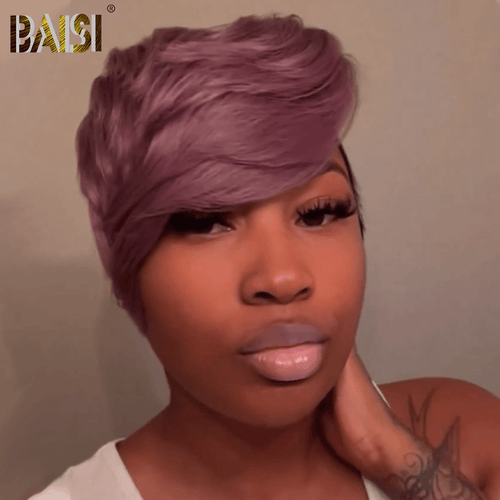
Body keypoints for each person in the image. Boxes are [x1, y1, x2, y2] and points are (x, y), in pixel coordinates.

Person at [28, 13, 500, 500]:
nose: (282, 277)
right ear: (126, 271)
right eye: (206, 222)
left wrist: (388, 453)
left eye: (319, 212)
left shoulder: (465, 435)